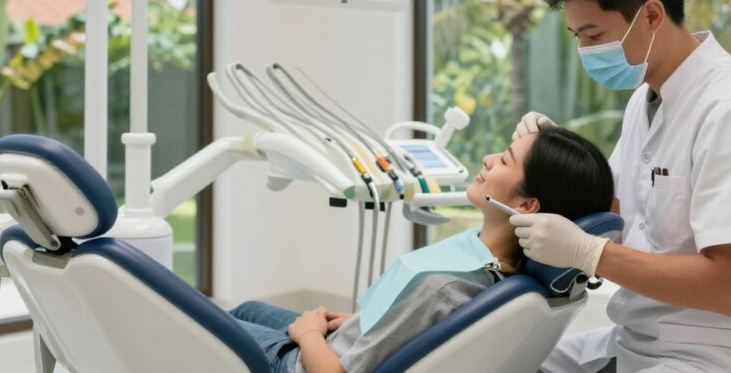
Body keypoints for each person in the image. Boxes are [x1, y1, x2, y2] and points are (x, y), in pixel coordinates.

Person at [509, 0, 731, 372]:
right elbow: (614, 209)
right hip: (638, 338)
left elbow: (729, 288)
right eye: (577, 36)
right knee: (505, 360)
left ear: (651, 15)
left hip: (717, 356)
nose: (585, 51)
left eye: (593, 35)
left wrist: (590, 254)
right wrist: (554, 158)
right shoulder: (647, 100)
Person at [229, 126, 614, 373]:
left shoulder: (444, 286)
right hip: (346, 340)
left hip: (306, 363)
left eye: (505, 159)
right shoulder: (499, 273)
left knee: (207, 328)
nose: (488, 159)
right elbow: (422, 325)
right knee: (245, 310)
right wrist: (367, 322)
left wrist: (309, 334)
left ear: (527, 206)